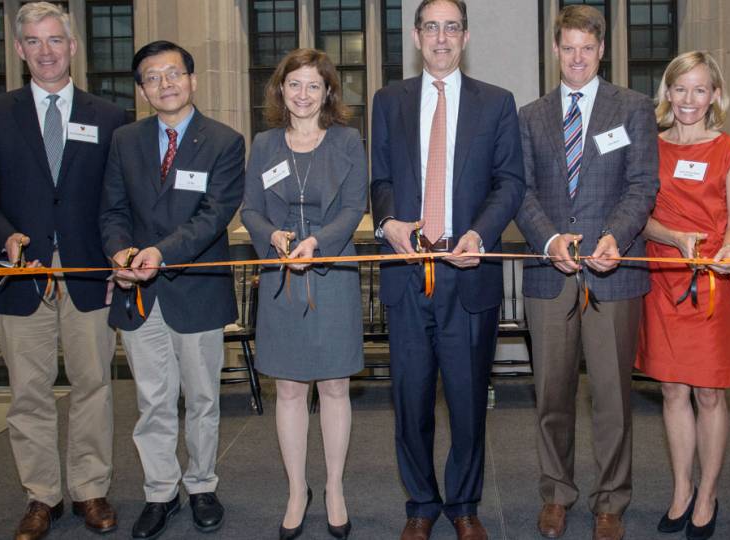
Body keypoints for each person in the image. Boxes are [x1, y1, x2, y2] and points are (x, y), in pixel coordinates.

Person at [0, 3, 126, 539]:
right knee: (29, 390)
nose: (45, 50)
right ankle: (41, 495)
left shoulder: (111, 117)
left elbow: (118, 199)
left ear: (73, 47)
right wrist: (2, 233)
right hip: (19, 273)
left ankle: (90, 488)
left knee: (94, 384)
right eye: (33, 41)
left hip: (88, 273)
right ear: (20, 49)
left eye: (55, 40)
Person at [370, 1, 525, 538]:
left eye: (451, 27)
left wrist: (480, 234)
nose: (441, 38)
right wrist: (388, 222)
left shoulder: (497, 103)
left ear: (465, 36)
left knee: (466, 402)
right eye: (431, 27)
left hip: (468, 276)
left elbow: (509, 183)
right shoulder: (389, 100)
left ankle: (463, 504)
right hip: (406, 274)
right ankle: (420, 504)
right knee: (410, 401)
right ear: (416, 37)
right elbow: (381, 179)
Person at [514, 5, 659, 540]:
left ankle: (611, 501)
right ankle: (556, 494)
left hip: (612, 274)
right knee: (551, 395)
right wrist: (551, 240)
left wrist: (614, 239)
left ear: (602, 51)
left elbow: (643, 184)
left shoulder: (635, 108)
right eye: (568, 47)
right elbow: (520, 190)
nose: (577, 57)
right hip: (550, 276)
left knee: (612, 397)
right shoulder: (529, 116)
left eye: (587, 48)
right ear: (556, 51)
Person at [99, 40, 245, 539]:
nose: (165, 84)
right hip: (137, 293)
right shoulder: (124, 141)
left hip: (195, 289)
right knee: (153, 401)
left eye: (173, 74)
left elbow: (214, 215)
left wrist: (159, 253)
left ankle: (203, 485)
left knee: (203, 398)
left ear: (192, 80)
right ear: (142, 89)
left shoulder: (224, 141)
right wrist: (120, 253)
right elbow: (112, 210)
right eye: (153, 77)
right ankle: (160, 492)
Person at [240, 47, 366, 540]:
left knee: (335, 385)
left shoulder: (348, 141)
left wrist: (321, 241)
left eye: (314, 85)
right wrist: (271, 235)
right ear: (281, 90)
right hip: (280, 276)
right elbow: (250, 209)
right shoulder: (266, 143)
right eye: (295, 84)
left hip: (332, 271)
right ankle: (297, 488)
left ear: (328, 92)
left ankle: (334, 486)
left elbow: (355, 205)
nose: (304, 94)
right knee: (289, 388)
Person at [634, 51, 730, 540]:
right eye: (680, 88)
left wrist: (727, 248)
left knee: (708, 393)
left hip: (711, 288)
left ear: (716, 96)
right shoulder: (649, 148)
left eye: (699, 89)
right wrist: (673, 237)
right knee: (672, 390)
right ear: (667, 93)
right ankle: (682, 488)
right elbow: (639, 216)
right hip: (663, 283)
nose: (688, 99)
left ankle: (708, 493)